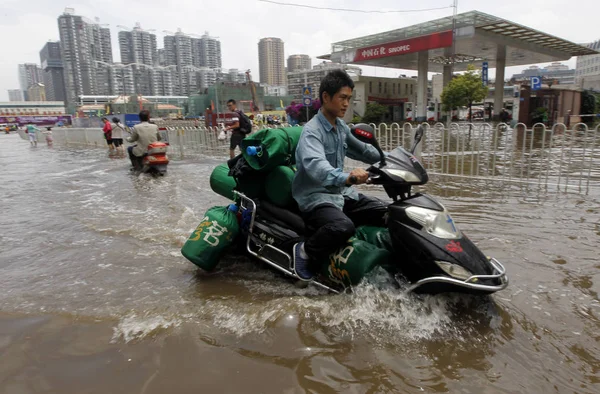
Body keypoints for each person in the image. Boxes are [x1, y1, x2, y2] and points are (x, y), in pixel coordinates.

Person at [291, 69, 388, 280]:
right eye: (342, 98)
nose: (346, 104)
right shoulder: (312, 132)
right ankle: (305, 251)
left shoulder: (341, 127)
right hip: (316, 198)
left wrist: (395, 160)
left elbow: (364, 150)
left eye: (349, 99)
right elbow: (318, 168)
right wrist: (349, 177)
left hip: (341, 195)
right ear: (326, 97)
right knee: (343, 226)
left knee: (387, 212)